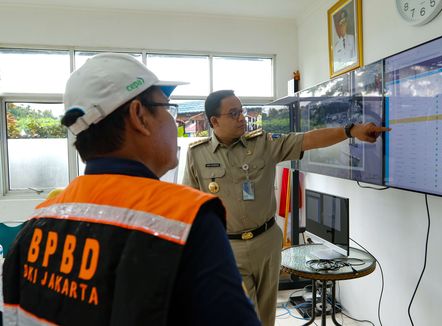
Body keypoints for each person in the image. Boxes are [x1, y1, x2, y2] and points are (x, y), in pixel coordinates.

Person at [2, 54, 260, 326]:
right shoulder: (186, 220)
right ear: (139, 116)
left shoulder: (34, 227)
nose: (174, 123)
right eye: (167, 109)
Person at [183, 89, 389, 326]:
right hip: (229, 247)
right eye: (234, 113)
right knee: (241, 315)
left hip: (267, 242)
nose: (242, 117)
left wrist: (349, 131)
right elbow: (189, 207)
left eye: (242, 111)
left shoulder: (262, 143)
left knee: (266, 313)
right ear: (214, 121)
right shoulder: (196, 154)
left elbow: (307, 139)